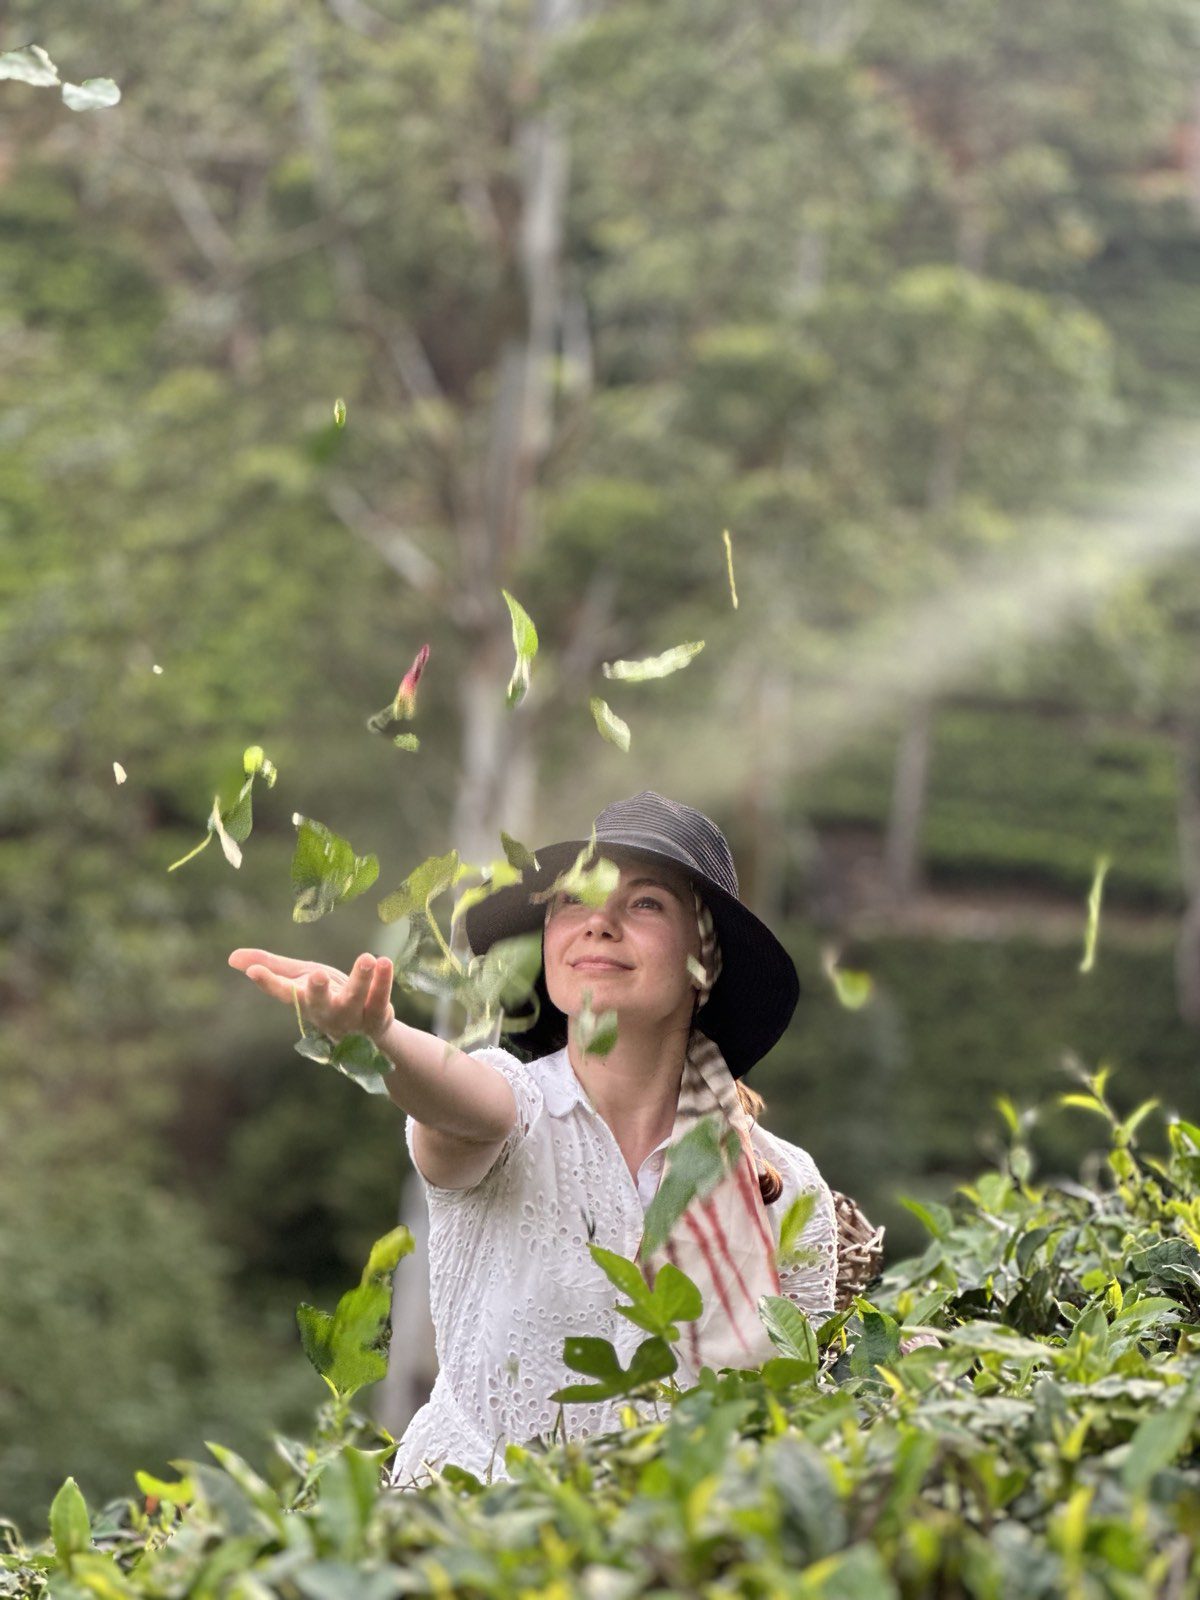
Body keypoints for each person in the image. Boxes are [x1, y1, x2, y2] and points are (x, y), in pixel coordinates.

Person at [229, 790, 840, 1490]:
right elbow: (456, 1096)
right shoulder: (515, 1109)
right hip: (455, 1546)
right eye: (574, 901)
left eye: (644, 904)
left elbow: (795, 1410)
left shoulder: (783, 1185)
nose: (599, 923)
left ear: (706, 963)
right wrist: (378, 1037)